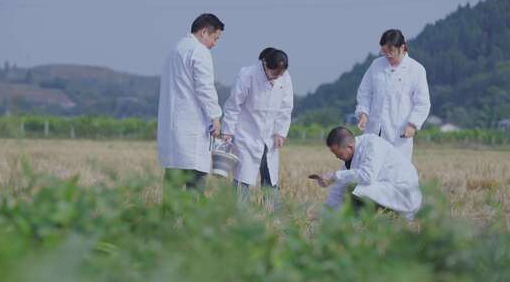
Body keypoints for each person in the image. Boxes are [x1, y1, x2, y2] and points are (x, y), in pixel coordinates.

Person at [157, 13, 224, 194]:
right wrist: (215, 117)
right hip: (191, 128)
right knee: (195, 182)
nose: (214, 44)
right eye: (215, 38)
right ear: (204, 32)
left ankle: (167, 220)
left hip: (173, 128)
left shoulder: (176, 49)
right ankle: (192, 221)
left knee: (172, 182)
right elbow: (205, 88)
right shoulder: (199, 51)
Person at [221, 48, 294, 203]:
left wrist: (281, 132)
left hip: (270, 134)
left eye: (280, 75)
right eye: (274, 74)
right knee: (244, 175)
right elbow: (233, 105)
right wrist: (228, 131)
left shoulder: (285, 77)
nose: (277, 78)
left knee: (270, 174)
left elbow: (286, 107)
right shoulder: (247, 75)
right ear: (265, 64)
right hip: (247, 132)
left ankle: (272, 209)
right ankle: (240, 211)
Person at [309, 126, 422, 220]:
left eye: (338, 153)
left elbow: (367, 176)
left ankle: (358, 226)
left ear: (349, 147)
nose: (337, 157)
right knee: (349, 186)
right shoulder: (350, 158)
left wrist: (334, 176)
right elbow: (338, 188)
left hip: (402, 193)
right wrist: (325, 214)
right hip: (387, 191)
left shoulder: (372, 144)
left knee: (354, 189)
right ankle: (365, 223)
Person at [355, 29, 431, 159]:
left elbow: (422, 103)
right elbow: (365, 92)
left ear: (402, 48)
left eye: (391, 52)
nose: (388, 55)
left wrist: (412, 124)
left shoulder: (416, 70)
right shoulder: (376, 65)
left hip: (398, 134)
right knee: (370, 169)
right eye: (384, 52)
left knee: (396, 172)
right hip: (374, 130)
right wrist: (363, 113)